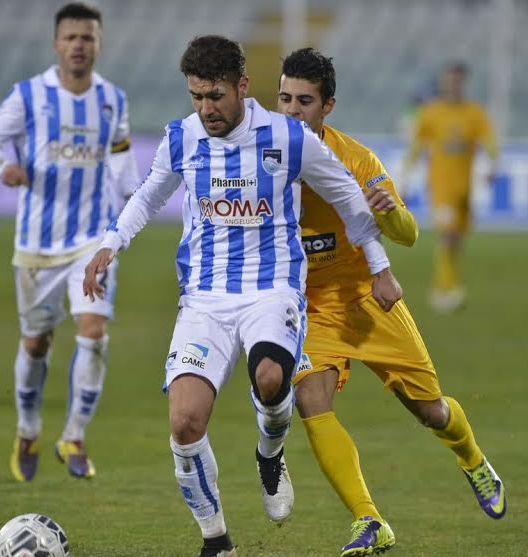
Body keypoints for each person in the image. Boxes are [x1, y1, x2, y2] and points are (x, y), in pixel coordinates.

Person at [83, 35, 402, 557]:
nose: (206, 108)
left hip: (272, 289)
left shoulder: (289, 137)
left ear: (242, 87)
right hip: (204, 297)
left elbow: (348, 196)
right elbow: (148, 196)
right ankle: (217, 541)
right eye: (196, 96)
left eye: (216, 95)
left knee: (272, 378)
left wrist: (380, 268)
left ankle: (269, 453)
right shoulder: (182, 138)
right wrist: (109, 245)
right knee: (185, 422)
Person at [277, 48, 506, 556]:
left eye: (304, 101)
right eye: (285, 99)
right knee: (311, 400)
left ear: (327, 106)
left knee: (431, 411)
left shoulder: (357, 160)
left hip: (369, 299)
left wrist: (386, 212)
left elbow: (408, 233)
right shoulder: (261, 156)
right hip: (311, 308)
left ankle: (472, 459)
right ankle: (369, 519)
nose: (292, 110)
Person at [0, 2, 139, 482]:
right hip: (37, 246)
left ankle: (74, 436)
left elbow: (122, 159)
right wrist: (3, 167)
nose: (79, 45)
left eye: (87, 37)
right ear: (56, 44)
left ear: (98, 44)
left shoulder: (113, 99)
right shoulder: (28, 96)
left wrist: (133, 201)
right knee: (36, 342)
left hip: (93, 240)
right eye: (71, 37)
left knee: (94, 331)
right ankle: (28, 430)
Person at [401, 61, 499, 312]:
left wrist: (492, 166)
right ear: (443, 83)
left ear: (463, 83)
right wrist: (404, 181)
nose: (453, 85)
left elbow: (490, 142)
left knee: (457, 239)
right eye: (449, 81)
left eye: (457, 81)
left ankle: (444, 287)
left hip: (464, 189)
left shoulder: (474, 113)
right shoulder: (431, 113)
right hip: (440, 187)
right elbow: (415, 148)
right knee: (447, 235)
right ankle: (446, 289)